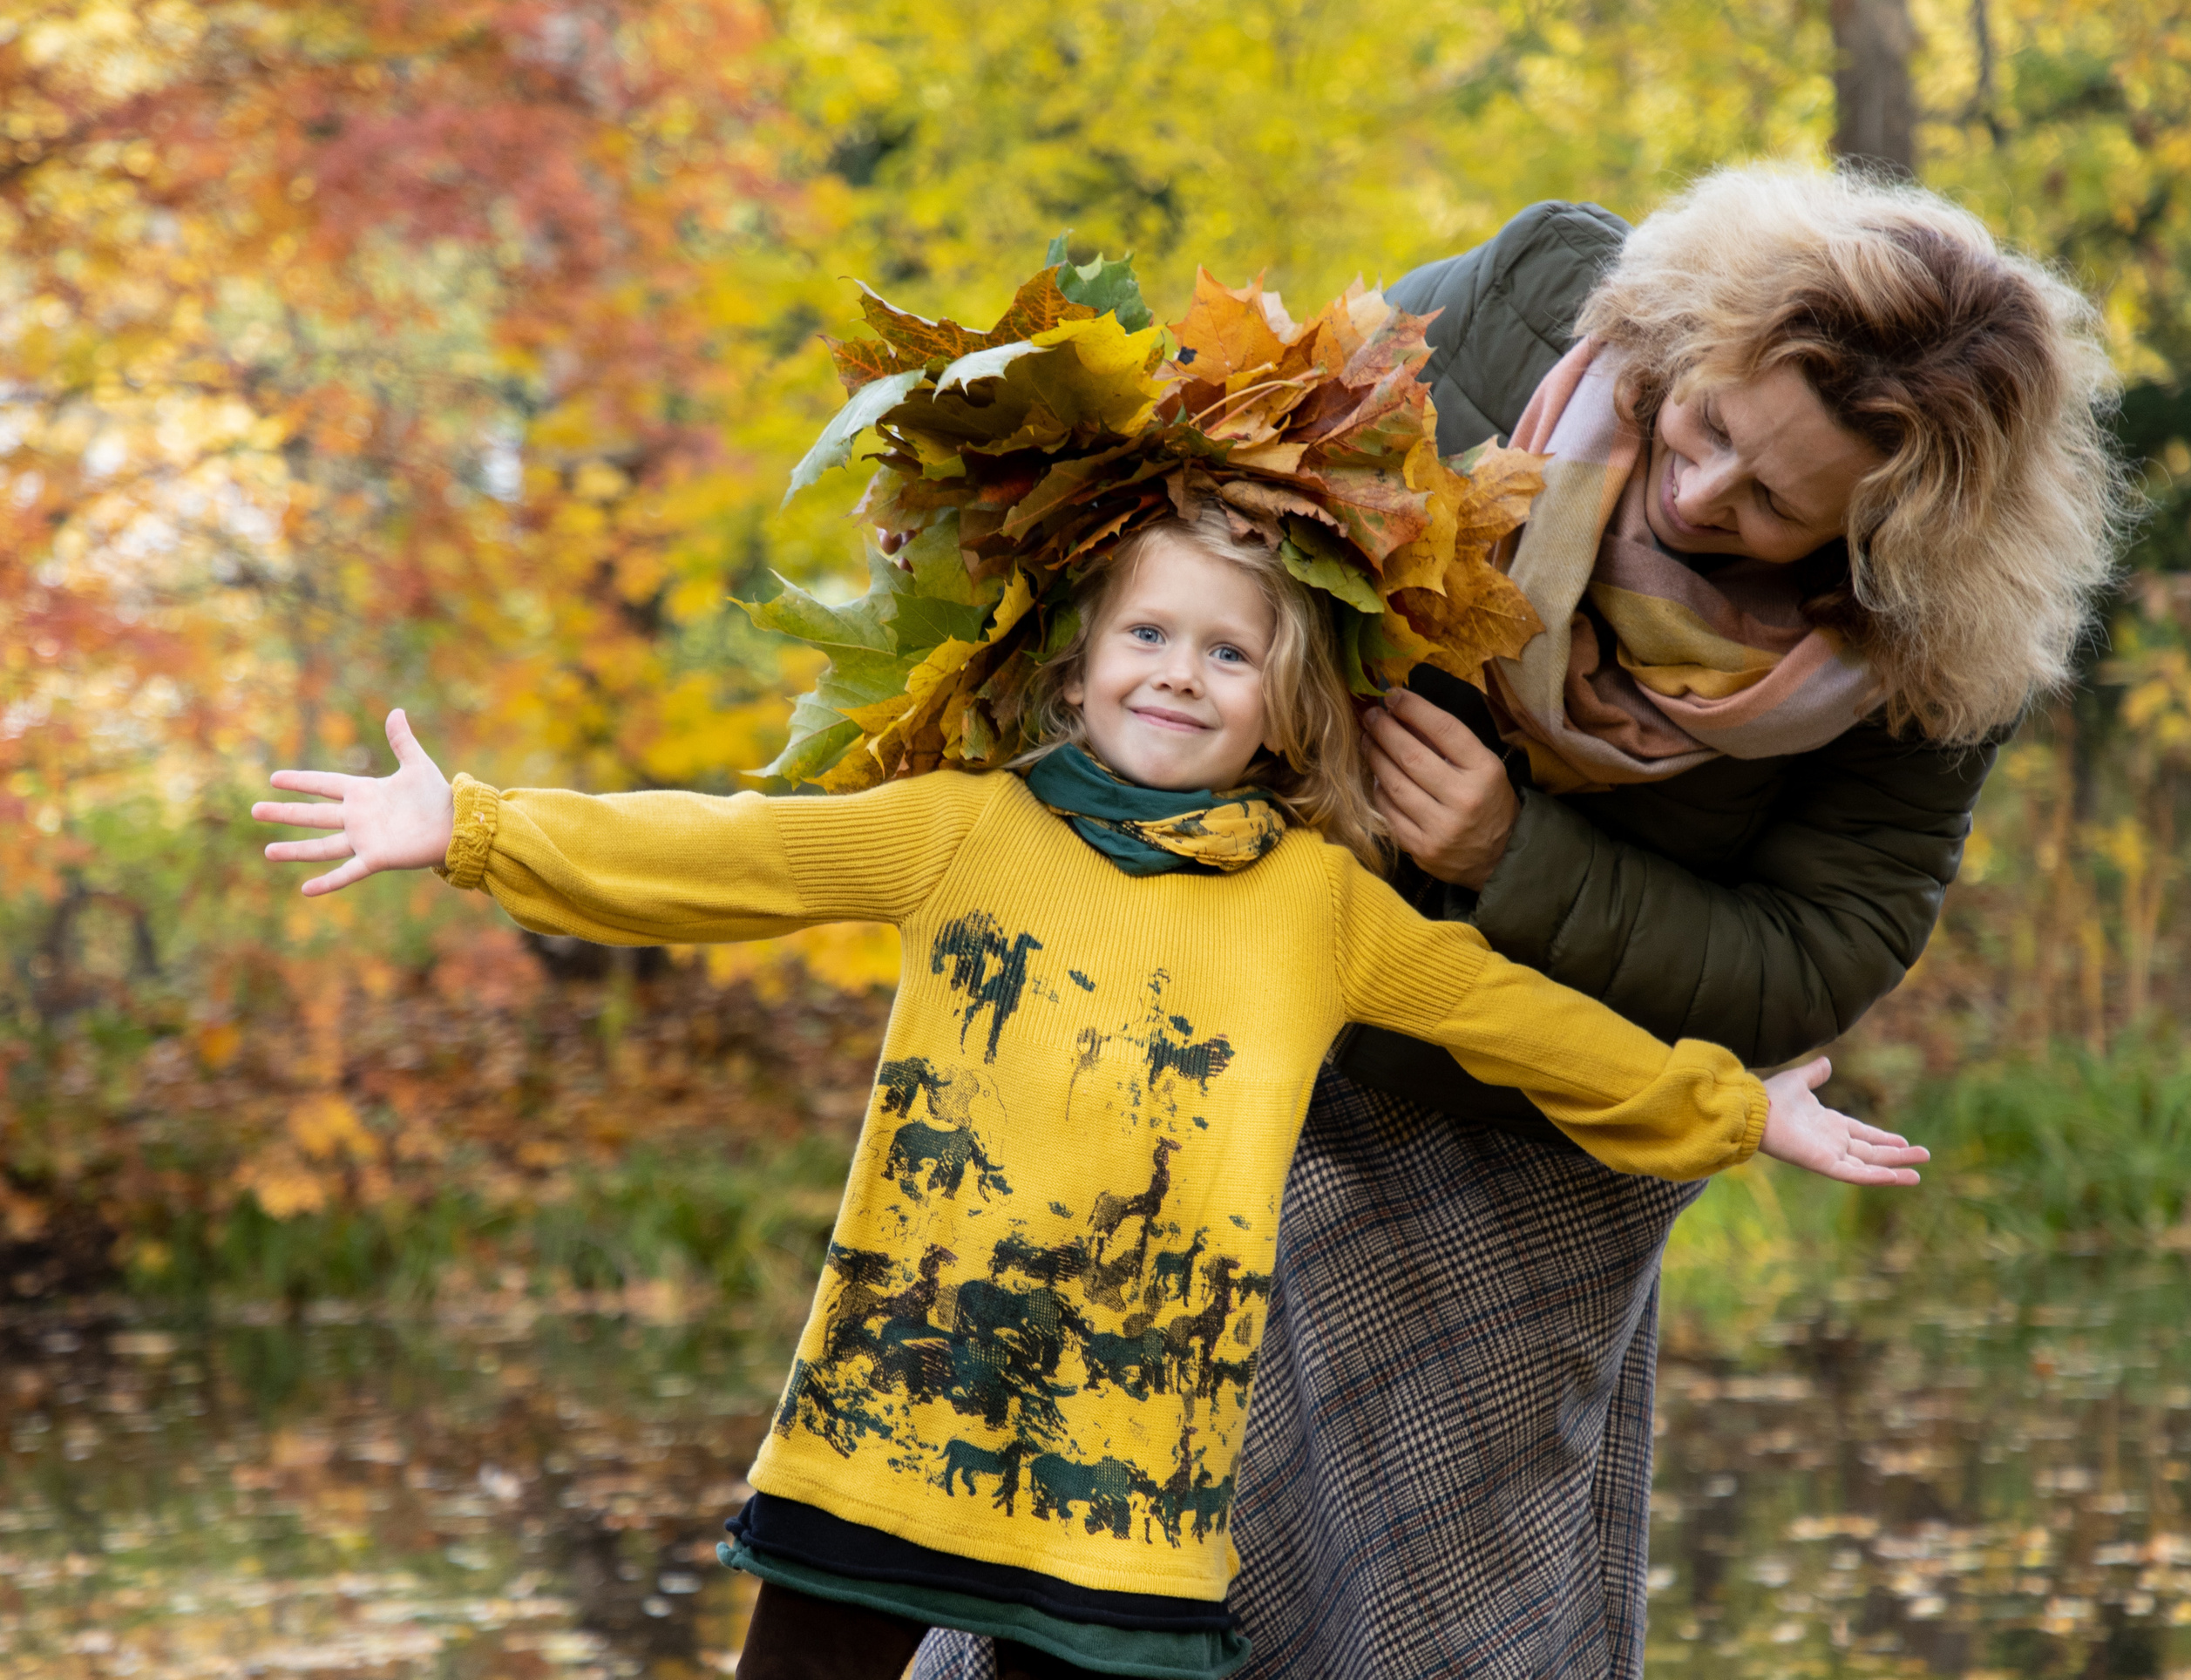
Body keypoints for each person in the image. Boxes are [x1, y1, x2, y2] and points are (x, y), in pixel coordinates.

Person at [254, 500, 1925, 1678]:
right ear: (1080, 662)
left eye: (1226, 651)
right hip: (893, 1425)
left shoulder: (1321, 906)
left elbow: (1526, 1026)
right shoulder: (967, 831)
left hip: (1129, 1474)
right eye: (1150, 634)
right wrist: (469, 827)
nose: (1179, 673)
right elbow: (727, 851)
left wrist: (1734, 1110)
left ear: (1287, 701)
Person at [1188, 166, 2115, 1679]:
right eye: (1706, 431)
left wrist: (1516, 858)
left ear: (1888, 531)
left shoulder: (1937, 652)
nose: (1699, 498)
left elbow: (1813, 963)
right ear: (1691, 337)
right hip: (1242, 1040)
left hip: (1536, 1135)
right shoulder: (1510, 322)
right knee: (1113, 1560)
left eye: (1773, 507)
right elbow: (1233, 515)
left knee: (1447, 1614)